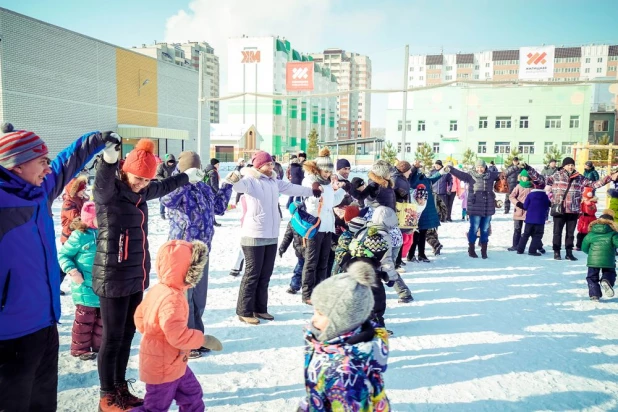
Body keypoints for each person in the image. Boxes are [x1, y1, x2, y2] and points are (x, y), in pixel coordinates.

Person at [0, 122, 113, 412]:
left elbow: (66, 163)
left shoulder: (38, 192)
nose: (49, 169)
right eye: (41, 162)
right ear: (15, 166)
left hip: (46, 323)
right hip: (9, 336)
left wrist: (96, 140)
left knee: (43, 402)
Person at [93, 138, 204, 411]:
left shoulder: (140, 192)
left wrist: (185, 177)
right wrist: (107, 161)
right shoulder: (110, 192)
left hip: (135, 276)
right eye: (137, 177)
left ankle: (120, 386)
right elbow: (102, 181)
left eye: (145, 179)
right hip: (112, 275)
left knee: (129, 332)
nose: (141, 183)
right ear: (124, 170)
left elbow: (164, 185)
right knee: (112, 337)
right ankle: (108, 393)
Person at [161, 151, 237, 358]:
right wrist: (184, 180)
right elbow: (166, 201)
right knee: (184, 299)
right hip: (181, 251)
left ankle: (196, 338)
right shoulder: (175, 185)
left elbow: (219, 208)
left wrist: (228, 184)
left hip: (202, 251)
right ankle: (184, 342)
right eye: (192, 168)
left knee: (198, 299)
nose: (197, 171)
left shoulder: (203, 186)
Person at [133, 240, 223, 412]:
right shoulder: (172, 299)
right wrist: (203, 339)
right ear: (188, 270)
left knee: (192, 395)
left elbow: (139, 317)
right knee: (155, 408)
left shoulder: (159, 289)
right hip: (163, 367)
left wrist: (153, 333)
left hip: (173, 362)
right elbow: (177, 336)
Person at [234, 151, 318, 325]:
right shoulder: (251, 181)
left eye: (272, 164)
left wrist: (312, 191)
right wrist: (234, 178)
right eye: (267, 164)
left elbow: (293, 188)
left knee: (265, 274)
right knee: (252, 274)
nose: (271, 166)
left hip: (271, 234)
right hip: (254, 235)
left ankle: (260, 308)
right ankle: (244, 310)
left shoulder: (273, 181)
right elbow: (237, 187)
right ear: (258, 166)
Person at [298, 261, 390, 411]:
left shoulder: (346, 375)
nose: (313, 319)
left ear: (342, 321)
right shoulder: (328, 342)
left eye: (320, 314)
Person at [528, 157, 617, 261]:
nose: (570, 167)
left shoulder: (579, 177)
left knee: (570, 234)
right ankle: (556, 251)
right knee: (557, 232)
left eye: (572, 165)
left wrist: (609, 178)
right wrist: (528, 169)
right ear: (564, 166)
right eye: (568, 165)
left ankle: (569, 252)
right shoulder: (556, 176)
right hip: (559, 209)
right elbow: (540, 179)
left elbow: (594, 184)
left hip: (573, 210)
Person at [302, 148, 347, 305]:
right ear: (318, 169)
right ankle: (307, 293)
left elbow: (332, 202)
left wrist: (340, 190)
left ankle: (320, 291)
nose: (327, 174)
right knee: (311, 262)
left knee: (324, 261)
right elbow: (311, 205)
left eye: (329, 172)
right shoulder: (309, 181)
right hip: (315, 227)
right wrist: (315, 195)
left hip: (328, 227)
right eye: (325, 171)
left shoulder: (327, 184)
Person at [58, 202, 102, 361]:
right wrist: (73, 271)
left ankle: (99, 346)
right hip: (84, 286)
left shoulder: (107, 233)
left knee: (102, 320)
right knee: (85, 320)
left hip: (103, 286)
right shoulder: (80, 235)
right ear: (91, 219)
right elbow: (63, 255)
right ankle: (79, 349)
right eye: (101, 217)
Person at [443, 159, 501, 259]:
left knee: (485, 229)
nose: (480, 169)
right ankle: (471, 249)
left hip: (488, 207)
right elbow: (459, 173)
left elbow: (503, 174)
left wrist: (517, 167)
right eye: (478, 167)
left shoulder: (490, 175)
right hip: (475, 206)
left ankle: (484, 251)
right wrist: (450, 169)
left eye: (481, 167)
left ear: (485, 167)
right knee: (474, 229)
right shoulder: (470, 175)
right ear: (475, 167)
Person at [407, 160, 444, 262]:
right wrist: (414, 166)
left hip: (426, 208)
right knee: (415, 233)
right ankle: (411, 254)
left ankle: (421, 254)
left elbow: (431, 179)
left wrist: (441, 172)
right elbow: (411, 179)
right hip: (416, 209)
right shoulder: (412, 179)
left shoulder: (423, 178)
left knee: (423, 233)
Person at [59, 175, 89, 294]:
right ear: (75, 190)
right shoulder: (68, 204)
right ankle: (54, 284)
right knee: (66, 263)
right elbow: (78, 219)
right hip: (69, 238)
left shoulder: (82, 200)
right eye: (82, 190)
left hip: (78, 237)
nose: (84, 192)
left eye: (84, 190)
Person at [582, 209, 618, 301]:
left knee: (592, 277)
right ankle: (606, 280)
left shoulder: (591, 234)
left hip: (593, 261)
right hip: (609, 259)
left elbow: (584, 247)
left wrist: (591, 253)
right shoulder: (613, 234)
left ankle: (594, 295)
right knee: (609, 272)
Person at [516, 181, 551, 255]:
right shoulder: (545, 196)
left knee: (526, 234)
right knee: (537, 235)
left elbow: (525, 206)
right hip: (540, 219)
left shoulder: (530, 195)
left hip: (529, 219)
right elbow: (547, 206)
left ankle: (520, 249)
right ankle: (532, 251)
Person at [507, 170, 534, 251]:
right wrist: (517, 203)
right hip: (518, 211)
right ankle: (515, 245)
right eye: (522, 176)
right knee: (517, 229)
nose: (523, 178)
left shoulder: (532, 187)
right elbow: (511, 196)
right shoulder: (518, 186)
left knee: (530, 230)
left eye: (525, 177)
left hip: (528, 212)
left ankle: (534, 245)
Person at [155, 154, 177, 219]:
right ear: (167, 161)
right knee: (163, 199)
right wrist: (164, 180)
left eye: (172, 162)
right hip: (163, 185)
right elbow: (158, 175)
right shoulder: (161, 166)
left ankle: (171, 213)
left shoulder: (176, 166)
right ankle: (162, 213)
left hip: (173, 185)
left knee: (173, 199)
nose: (171, 164)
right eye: (170, 162)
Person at [204, 158, 221, 227]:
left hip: (206, 190)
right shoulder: (213, 172)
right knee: (211, 207)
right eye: (218, 164)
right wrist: (219, 191)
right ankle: (212, 221)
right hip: (211, 192)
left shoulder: (208, 170)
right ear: (215, 164)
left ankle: (210, 221)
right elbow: (213, 184)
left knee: (209, 207)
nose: (219, 165)